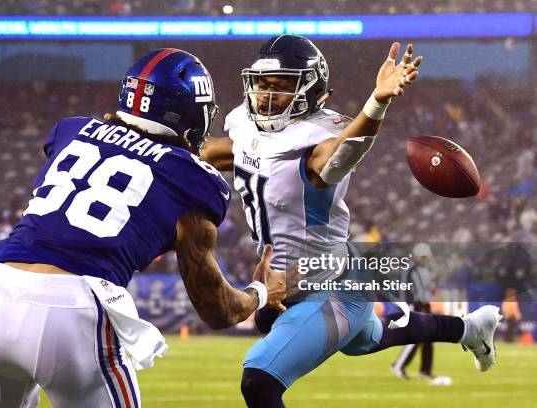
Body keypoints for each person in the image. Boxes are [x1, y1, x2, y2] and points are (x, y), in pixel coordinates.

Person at [0, 48, 286, 408]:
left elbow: (132, 150)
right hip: (69, 307)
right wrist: (261, 291)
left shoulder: (71, 130)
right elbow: (218, 310)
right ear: (191, 114)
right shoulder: (194, 181)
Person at [200, 35, 502, 407]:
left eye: (281, 87)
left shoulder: (315, 147)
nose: (266, 95)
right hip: (291, 284)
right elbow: (210, 152)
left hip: (334, 286)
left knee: (260, 378)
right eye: (262, 84)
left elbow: (348, 146)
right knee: (369, 338)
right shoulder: (248, 131)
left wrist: (377, 102)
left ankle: (467, 328)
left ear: (310, 90)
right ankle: (470, 328)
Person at [391, 243, 437, 380]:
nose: (424, 259)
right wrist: (408, 307)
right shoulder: (410, 270)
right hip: (415, 306)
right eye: (422, 256)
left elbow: (428, 288)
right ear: (416, 256)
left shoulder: (426, 270)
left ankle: (425, 371)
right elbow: (405, 290)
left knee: (429, 339)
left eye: (426, 256)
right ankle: (398, 365)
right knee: (414, 339)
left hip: (425, 306)